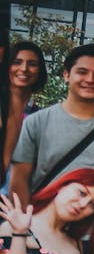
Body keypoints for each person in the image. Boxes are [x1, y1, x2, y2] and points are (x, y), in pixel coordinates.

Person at [9, 44, 94, 232]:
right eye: (82, 72)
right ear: (66, 75)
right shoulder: (37, 122)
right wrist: (25, 225)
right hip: (42, 230)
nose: (90, 79)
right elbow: (19, 177)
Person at [1, 41, 49, 193]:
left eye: (32, 64)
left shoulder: (40, 119)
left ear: (40, 71)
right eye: (17, 62)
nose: (24, 69)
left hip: (15, 197)